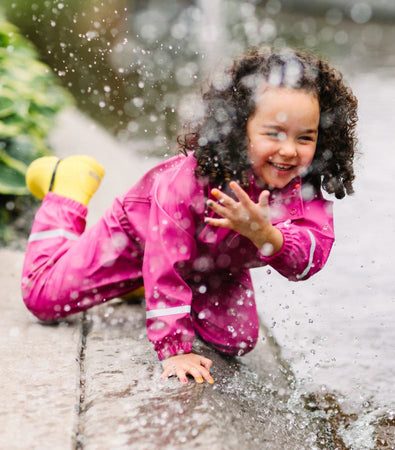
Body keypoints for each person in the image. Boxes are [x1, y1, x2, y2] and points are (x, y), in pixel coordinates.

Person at [21, 47, 358, 385]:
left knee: (235, 340)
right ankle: (67, 186)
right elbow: (165, 260)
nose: (289, 150)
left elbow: (305, 262)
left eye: (305, 138)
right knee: (44, 300)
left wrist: (264, 234)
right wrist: (174, 347)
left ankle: (140, 284)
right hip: (139, 237)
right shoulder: (192, 180)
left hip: (212, 265)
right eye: (274, 133)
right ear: (241, 129)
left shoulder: (302, 188)